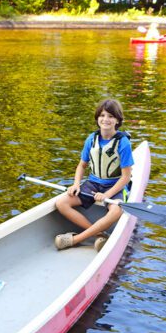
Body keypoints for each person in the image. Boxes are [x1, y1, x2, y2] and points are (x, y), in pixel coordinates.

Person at [54, 99, 133, 253]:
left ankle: (75, 239)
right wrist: (76, 184)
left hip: (114, 186)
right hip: (93, 184)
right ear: (97, 118)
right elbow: (81, 165)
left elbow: (125, 177)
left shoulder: (123, 143)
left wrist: (107, 195)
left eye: (110, 116)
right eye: (102, 115)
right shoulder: (91, 139)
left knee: (116, 210)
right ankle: (99, 234)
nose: (106, 119)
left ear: (117, 120)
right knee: (61, 203)